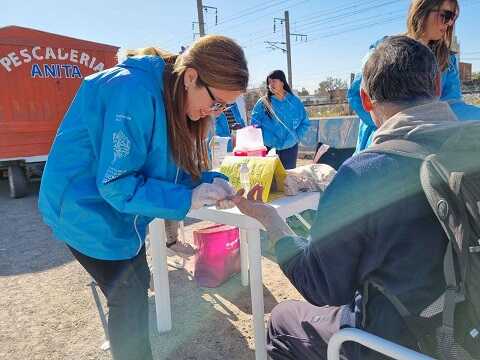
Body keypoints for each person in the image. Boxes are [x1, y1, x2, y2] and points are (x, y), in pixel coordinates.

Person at [232, 36, 455, 359]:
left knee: (283, 320)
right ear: (437, 84)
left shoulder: (363, 174)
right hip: (467, 329)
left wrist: (270, 218)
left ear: (365, 99)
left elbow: (319, 286)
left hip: (397, 342)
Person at [38, 35, 248, 360]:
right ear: (191, 76)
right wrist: (187, 198)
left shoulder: (171, 92)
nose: (216, 113)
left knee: (134, 286)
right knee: (129, 294)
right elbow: (117, 184)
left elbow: (165, 167)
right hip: (82, 208)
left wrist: (211, 182)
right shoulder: (133, 91)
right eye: (217, 102)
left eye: (224, 107)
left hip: (115, 209)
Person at [349, 0, 480, 153]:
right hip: (383, 141)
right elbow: (358, 96)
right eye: (446, 15)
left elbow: (453, 105)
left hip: (426, 141)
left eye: (454, 18)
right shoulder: (385, 50)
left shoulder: (446, 61)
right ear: (422, 10)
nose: (450, 23)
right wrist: (390, 124)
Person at [250, 70, 310, 169]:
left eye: (274, 81)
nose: (271, 84)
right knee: (270, 179)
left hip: (290, 148)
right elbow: (254, 125)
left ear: (282, 82)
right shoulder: (263, 103)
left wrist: (294, 137)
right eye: (269, 82)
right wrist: (267, 138)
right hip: (268, 148)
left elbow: (305, 123)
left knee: (289, 178)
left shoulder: (295, 102)